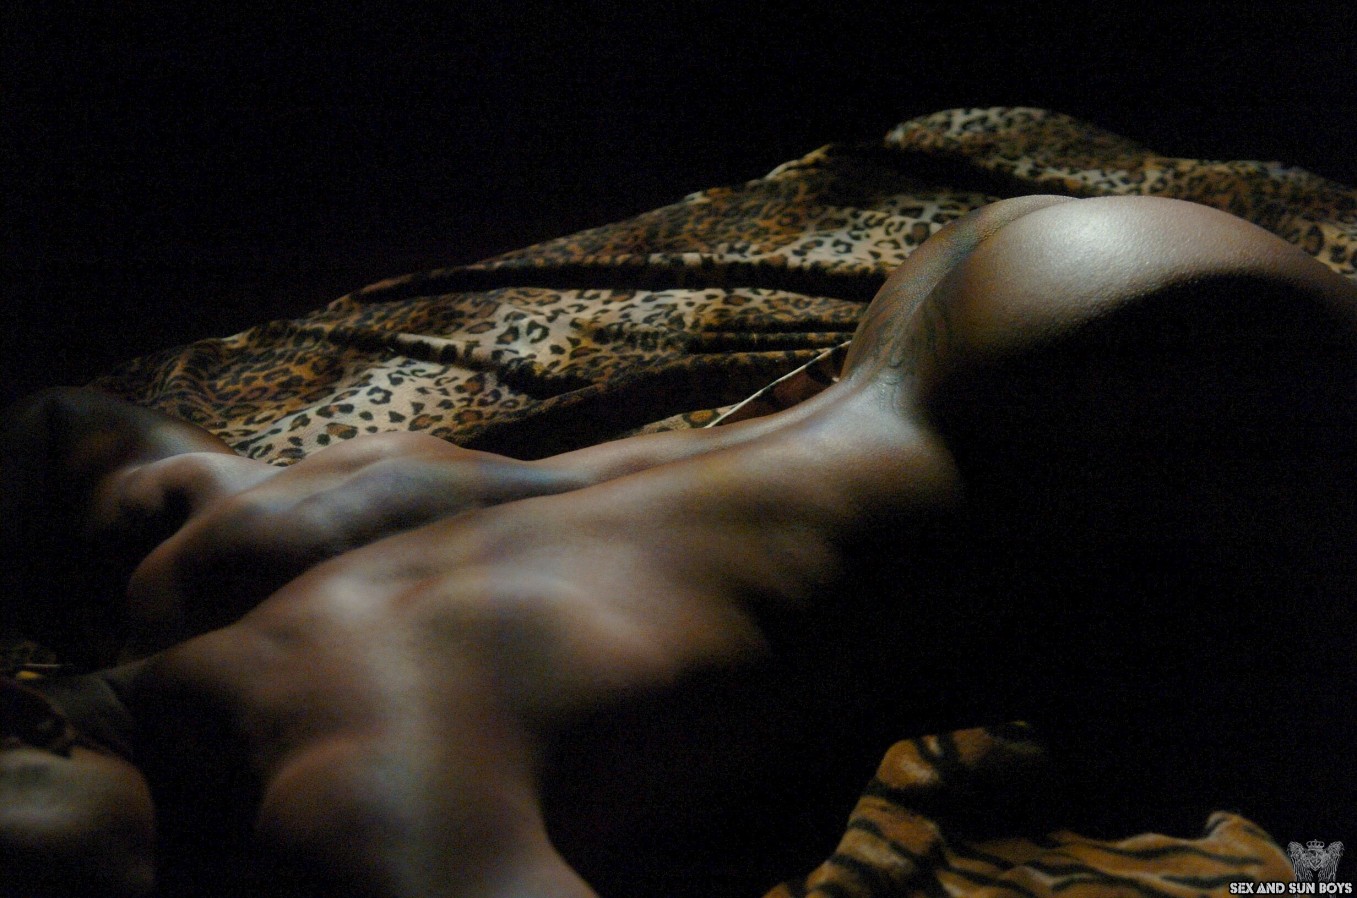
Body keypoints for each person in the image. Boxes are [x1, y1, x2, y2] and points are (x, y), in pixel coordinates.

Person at [4, 195, 1356, 897]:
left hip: (1073, 403)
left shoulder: (348, 801)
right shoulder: (202, 552)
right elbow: (64, 422)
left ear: (29, 726)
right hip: (987, 318)